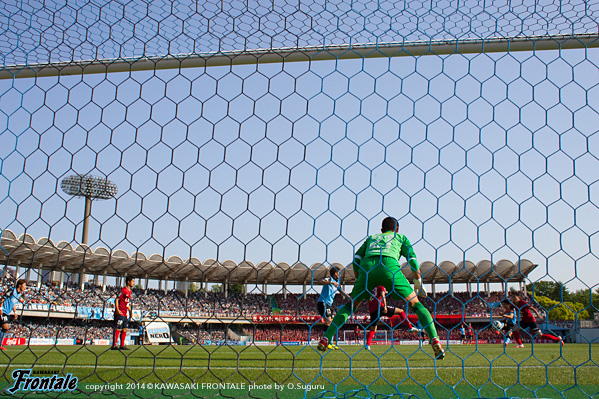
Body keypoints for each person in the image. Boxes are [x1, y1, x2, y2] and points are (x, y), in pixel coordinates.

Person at [318, 216, 445, 359]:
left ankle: (326, 338)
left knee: (350, 306)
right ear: (397, 229)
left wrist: (359, 277)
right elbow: (412, 260)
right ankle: (434, 339)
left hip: (367, 269)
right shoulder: (400, 237)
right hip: (389, 267)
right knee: (415, 303)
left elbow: (356, 259)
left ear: (381, 230)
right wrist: (418, 281)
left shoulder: (371, 238)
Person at [364, 285, 419, 350]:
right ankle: (410, 328)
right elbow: (382, 296)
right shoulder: (381, 286)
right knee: (401, 311)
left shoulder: (372, 289)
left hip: (372, 311)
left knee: (373, 328)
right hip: (380, 308)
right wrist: (385, 306)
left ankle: (367, 345)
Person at [317, 266, 344, 350]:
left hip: (329, 304)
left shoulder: (337, 282)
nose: (339, 275)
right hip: (323, 302)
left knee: (330, 323)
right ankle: (328, 342)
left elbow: (341, 291)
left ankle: (330, 342)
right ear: (335, 273)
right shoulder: (329, 279)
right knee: (329, 322)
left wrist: (349, 297)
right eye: (338, 273)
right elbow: (320, 282)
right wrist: (331, 283)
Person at [0, 279, 27, 351]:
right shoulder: (12, 290)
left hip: (7, 313)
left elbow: (13, 303)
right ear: (20, 285)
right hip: (3, 311)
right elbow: (2, 298)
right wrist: (0, 309)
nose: (25, 287)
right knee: (5, 327)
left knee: (5, 328)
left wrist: (15, 312)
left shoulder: (19, 294)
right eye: (24, 286)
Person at [112, 276, 135, 350]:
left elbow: (126, 302)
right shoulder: (123, 290)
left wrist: (130, 311)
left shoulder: (130, 291)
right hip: (120, 313)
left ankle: (122, 345)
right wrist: (117, 310)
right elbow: (116, 299)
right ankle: (114, 345)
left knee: (125, 329)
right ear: (128, 282)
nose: (134, 283)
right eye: (133, 281)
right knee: (118, 329)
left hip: (125, 313)